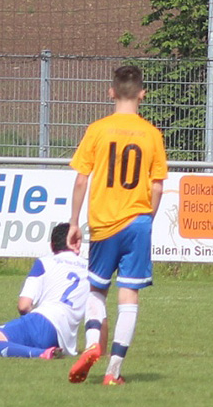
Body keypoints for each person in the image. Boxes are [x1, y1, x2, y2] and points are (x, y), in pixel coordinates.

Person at [66, 64, 168, 385]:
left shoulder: (97, 130)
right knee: (129, 296)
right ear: (142, 94)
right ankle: (113, 372)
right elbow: (157, 186)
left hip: (104, 223)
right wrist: (146, 221)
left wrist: (74, 223)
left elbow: (82, 180)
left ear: (111, 92)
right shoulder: (152, 134)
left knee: (97, 290)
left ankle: (92, 343)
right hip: (138, 222)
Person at [0, 223, 91, 360]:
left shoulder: (44, 262)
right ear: (78, 244)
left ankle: (40, 353)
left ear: (52, 245)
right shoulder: (90, 269)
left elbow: (24, 305)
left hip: (42, 320)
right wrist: (100, 350)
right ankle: (43, 350)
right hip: (64, 338)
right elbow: (99, 315)